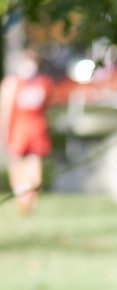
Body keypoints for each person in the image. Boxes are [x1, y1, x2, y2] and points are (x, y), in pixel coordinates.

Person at [0, 50, 54, 215]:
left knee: (33, 170)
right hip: (18, 131)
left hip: (34, 130)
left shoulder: (43, 84)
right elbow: (5, 110)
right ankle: (24, 199)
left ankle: (28, 200)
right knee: (18, 168)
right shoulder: (13, 83)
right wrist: (4, 132)